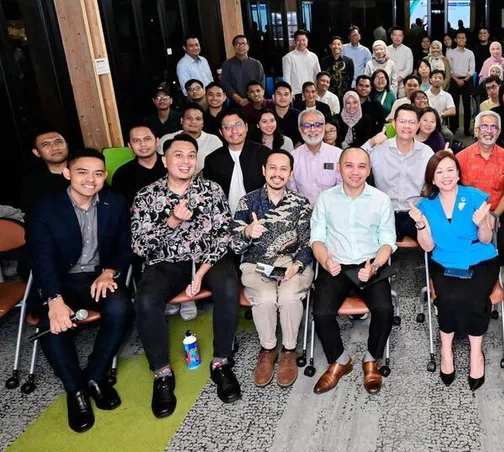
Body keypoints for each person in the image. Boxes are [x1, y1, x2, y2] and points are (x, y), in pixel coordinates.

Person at [131, 134, 240, 417]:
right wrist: (172, 222)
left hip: (209, 258)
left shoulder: (211, 190)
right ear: (165, 160)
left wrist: (203, 271)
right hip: (167, 262)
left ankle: (221, 362)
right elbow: (139, 246)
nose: (186, 161)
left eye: (191, 155)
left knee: (229, 286)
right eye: (178, 155)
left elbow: (224, 234)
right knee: (145, 299)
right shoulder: (146, 196)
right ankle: (162, 373)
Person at [27, 148, 134, 432]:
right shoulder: (46, 208)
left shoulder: (115, 202)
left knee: (122, 307)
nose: (91, 179)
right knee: (53, 324)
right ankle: (75, 389)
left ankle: (96, 375)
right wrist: (54, 298)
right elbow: (41, 259)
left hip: (97, 277)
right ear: (67, 173)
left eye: (99, 173)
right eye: (83, 172)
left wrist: (109, 271)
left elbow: (125, 247)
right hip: (58, 281)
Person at [309, 148, 397, 395]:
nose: (355, 172)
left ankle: (372, 358)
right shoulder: (325, 198)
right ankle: (340, 360)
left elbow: (388, 241)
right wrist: (325, 260)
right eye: (349, 166)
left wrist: (376, 266)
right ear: (340, 168)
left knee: (384, 308)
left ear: (369, 170)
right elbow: (316, 238)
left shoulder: (381, 200)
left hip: (370, 264)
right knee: (321, 311)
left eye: (361, 166)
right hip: (335, 264)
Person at [409, 151, 498, 390]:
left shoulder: (474, 197)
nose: (446, 176)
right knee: (447, 299)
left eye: (450, 170)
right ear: (432, 178)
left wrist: (482, 223)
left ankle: (476, 354)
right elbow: (427, 246)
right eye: (439, 172)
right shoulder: (426, 206)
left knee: (476, 298)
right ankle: (446, 351)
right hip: (444, 260)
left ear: (458, 173)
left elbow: (487, 238)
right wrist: (419, 223)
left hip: (479, 257)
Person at [232, 149, 314, 388]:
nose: (277, 174)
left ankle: (288, 350)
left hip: (292, 262)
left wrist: (298, 265)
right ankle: (268, 349)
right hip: (256, 263)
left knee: (289, 296)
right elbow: (235, 246)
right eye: (273, 168)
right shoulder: (248, 201)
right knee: (266, 298)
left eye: (283, 169)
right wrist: (247, 232)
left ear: (290, 173)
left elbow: (309, 242)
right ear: (263, 171)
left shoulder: (301, 203)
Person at [457, 111, 504, 263]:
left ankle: (498, 274)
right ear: (476, 131)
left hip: (499, 210)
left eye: (493, 128)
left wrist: (493, 216)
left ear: (498, 133)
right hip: (469, 212)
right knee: (464, 242)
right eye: (484, 127)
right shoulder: (461, 158)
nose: (489, 131)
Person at [364, 104, 433, 239]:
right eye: (402, 121)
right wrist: (371, 142)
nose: (407, 126)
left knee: (436, 242)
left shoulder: (427, 152)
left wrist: (446, 160)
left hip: (415, 213)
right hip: (384, 212)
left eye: (412, 122)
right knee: (370, 248)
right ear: (394, 124)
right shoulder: (379, 148)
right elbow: (351, 162)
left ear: (418, 125)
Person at [203, 110, 271, 215]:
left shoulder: (264, 153)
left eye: (238, 125)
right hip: (224, 218)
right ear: (221, 132)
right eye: (227, 127)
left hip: (261, 215)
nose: (234, 131)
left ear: (246, 127)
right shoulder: (212, 160)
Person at [289, 110, 342, 205]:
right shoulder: (292, 158)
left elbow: (342, 187)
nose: (312, 129)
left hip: (332, 210)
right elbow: (292, 192)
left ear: (324, 127)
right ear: (300, 129)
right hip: (303, 213)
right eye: (306, 126)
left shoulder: (338, 155)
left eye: (317, 125)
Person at [157, 104, 224, 174]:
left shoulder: (213, 141)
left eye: (198, 119)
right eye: (189, 118)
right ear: (181, 120)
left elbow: (218, 167)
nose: (193, 122)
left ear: (203, 123)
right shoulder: (166, 139)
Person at [113, 125, 167, 205]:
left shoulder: (173, 165)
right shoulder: (122, 174)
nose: (143, 144)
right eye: (136, 141)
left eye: (147, 139)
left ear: (157, 141)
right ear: (130, 146)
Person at [21, 130, 70, 212]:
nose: (55, 147)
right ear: (36, 153)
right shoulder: (32, 182)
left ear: (67, 145)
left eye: (58, 142)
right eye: (46, 144)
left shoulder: (87, 170)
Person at [221, 35, 265, 108]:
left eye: (243, 44)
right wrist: (239, 100)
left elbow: (261, 84)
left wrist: (253, 98)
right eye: (237, 44)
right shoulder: (227, 64)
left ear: (248, 47)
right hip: (235, 103)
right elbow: (225, 84)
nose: (241, 46)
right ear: (234, 47)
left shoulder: (257, 64)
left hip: (255, 103)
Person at [446, 30, 476, 135]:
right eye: (459, 38)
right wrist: (457, 80)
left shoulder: (470, 53)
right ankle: (454, 127)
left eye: (463, 38)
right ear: (455, 39)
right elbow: (449, 69)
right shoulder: (450, 53)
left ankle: (467, 129)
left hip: (467, 80)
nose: (461, 40)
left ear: (466, 40)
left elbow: (472, 69)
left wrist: (465, 80)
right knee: (454, 105)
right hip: (454, 80)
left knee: (467, 106)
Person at [281, 30, 322, 97]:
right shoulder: (288, 57)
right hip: (296, 93)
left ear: (307, 41)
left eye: (303, 40)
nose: (301, 42)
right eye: (298, 40)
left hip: (312, 92)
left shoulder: (313, 56)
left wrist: (318, 90)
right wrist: (289, 92)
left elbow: (318, 75)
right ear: (294, 42)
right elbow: (286, 78)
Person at [272, 81, 309, 145]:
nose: (282, 97)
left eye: (286, 94)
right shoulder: (267, 116)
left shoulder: (300, 116)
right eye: (279, 94)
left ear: (291, 97)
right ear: (273, 97)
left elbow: (305, 136)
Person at [387, 27, 414, 94]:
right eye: (395, 35)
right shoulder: (386, 49)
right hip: (388, 83)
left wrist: (400, 78)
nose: (397, 37)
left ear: (403, 37)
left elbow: (409, 69)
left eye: (400, 35)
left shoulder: (407, 50)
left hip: (402, 84)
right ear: (391, 36)